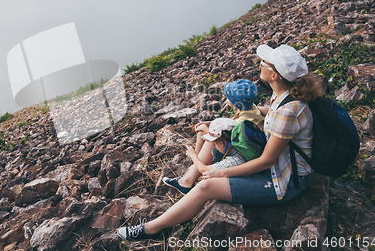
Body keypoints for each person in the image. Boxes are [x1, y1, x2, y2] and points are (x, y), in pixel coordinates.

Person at [117, 44, 322, 242]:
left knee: (206, 187)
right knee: (217, 132)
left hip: (284, 183)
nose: (260, 63)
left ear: (275, 75)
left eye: (264, 62)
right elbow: (265, 112)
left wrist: (223, 173)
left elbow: (267, 161)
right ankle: (187, 181)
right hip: (277, 168)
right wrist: (223, 123)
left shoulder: (288, 111)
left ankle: (151, 229)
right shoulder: (283, 97)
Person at [161, 79, 263, 195]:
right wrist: (208, 123)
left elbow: (224, 137)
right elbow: (230, 124)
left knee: (210, 138)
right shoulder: (252, 108)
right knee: (202, 132)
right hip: (237, 145)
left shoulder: (241, 122)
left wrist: (206, 129)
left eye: (229, 98)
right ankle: (194, 168)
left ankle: (187, 180)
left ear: (234, 103)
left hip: (238, 153)